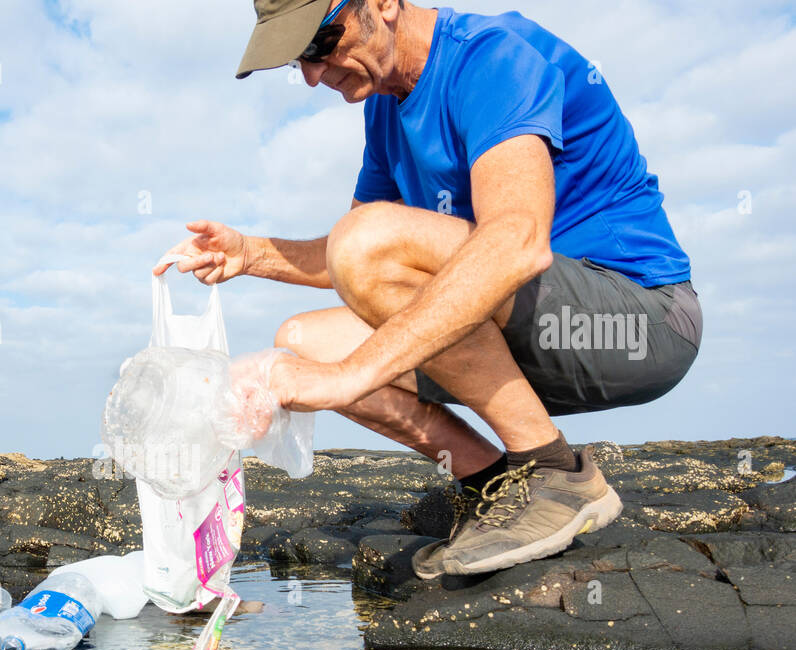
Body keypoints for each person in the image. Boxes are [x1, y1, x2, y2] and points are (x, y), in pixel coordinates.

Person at [157, 0, 702, 577]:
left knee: (361, 266)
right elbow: (351, 260)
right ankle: (495, 484)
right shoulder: (385, 110)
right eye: (299, 61)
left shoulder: (493, 57)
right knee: (302, 340)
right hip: (531, 325)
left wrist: (348, 379)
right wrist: (250, 253)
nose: (313, 75)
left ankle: (556, 475)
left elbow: (518, 241)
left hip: (639, 322)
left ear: (384, 5)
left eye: (319, 43)